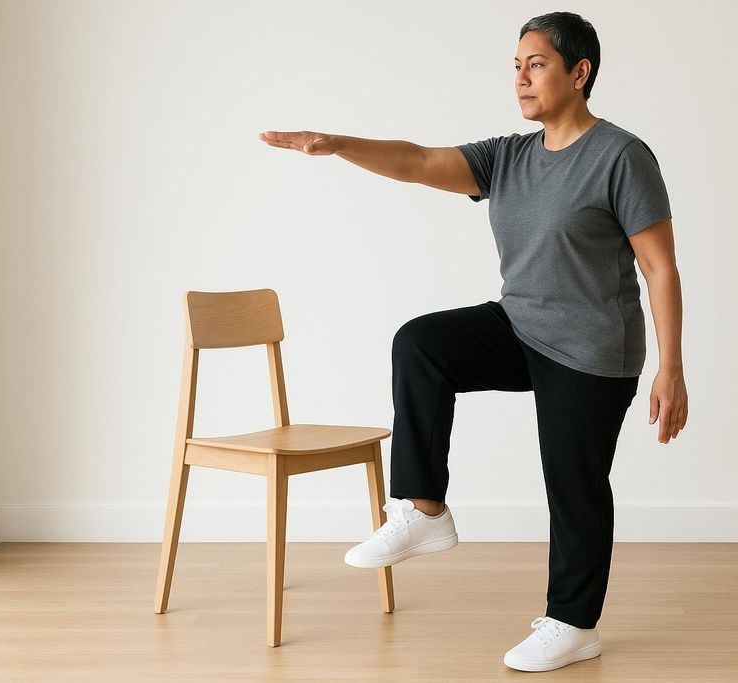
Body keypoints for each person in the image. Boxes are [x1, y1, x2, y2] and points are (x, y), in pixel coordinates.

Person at [258, 10, 688, 674]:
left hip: (593, 348)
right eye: (515, 65)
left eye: (536, 64)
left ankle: (574, 623)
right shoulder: (508, 157)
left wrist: (671, 367)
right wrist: (338, 143)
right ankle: (424, 508)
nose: (520, 78)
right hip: (521, 326)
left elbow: (659, 265)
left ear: (580, 73)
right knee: (423, 343)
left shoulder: (621, 156)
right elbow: (419, 160)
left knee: (573, 481)